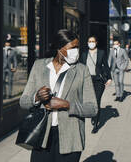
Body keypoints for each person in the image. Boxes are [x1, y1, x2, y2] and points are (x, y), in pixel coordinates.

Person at [20, 29, 98, 162]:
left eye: (77, 47)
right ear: (59, 48)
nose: (76, 51)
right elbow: (23, 101)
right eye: (72, 47)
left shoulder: (81, 70)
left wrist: (66, 105)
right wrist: (36, 97)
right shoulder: (39, 66)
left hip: (71, 137)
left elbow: (93, 108)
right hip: (42, 134)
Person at [79, 36, 112, 134]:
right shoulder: (84, 53)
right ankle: (94, 115)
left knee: (97, 101)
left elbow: (106, 66)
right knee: (90, 101)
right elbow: (80, 67)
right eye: (89, 41)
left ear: (96, 42)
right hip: (87, 80)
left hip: (98, 80)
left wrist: (109, 78)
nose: (91, 43)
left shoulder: (101, 52)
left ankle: (96, 125)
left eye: (93, 41)